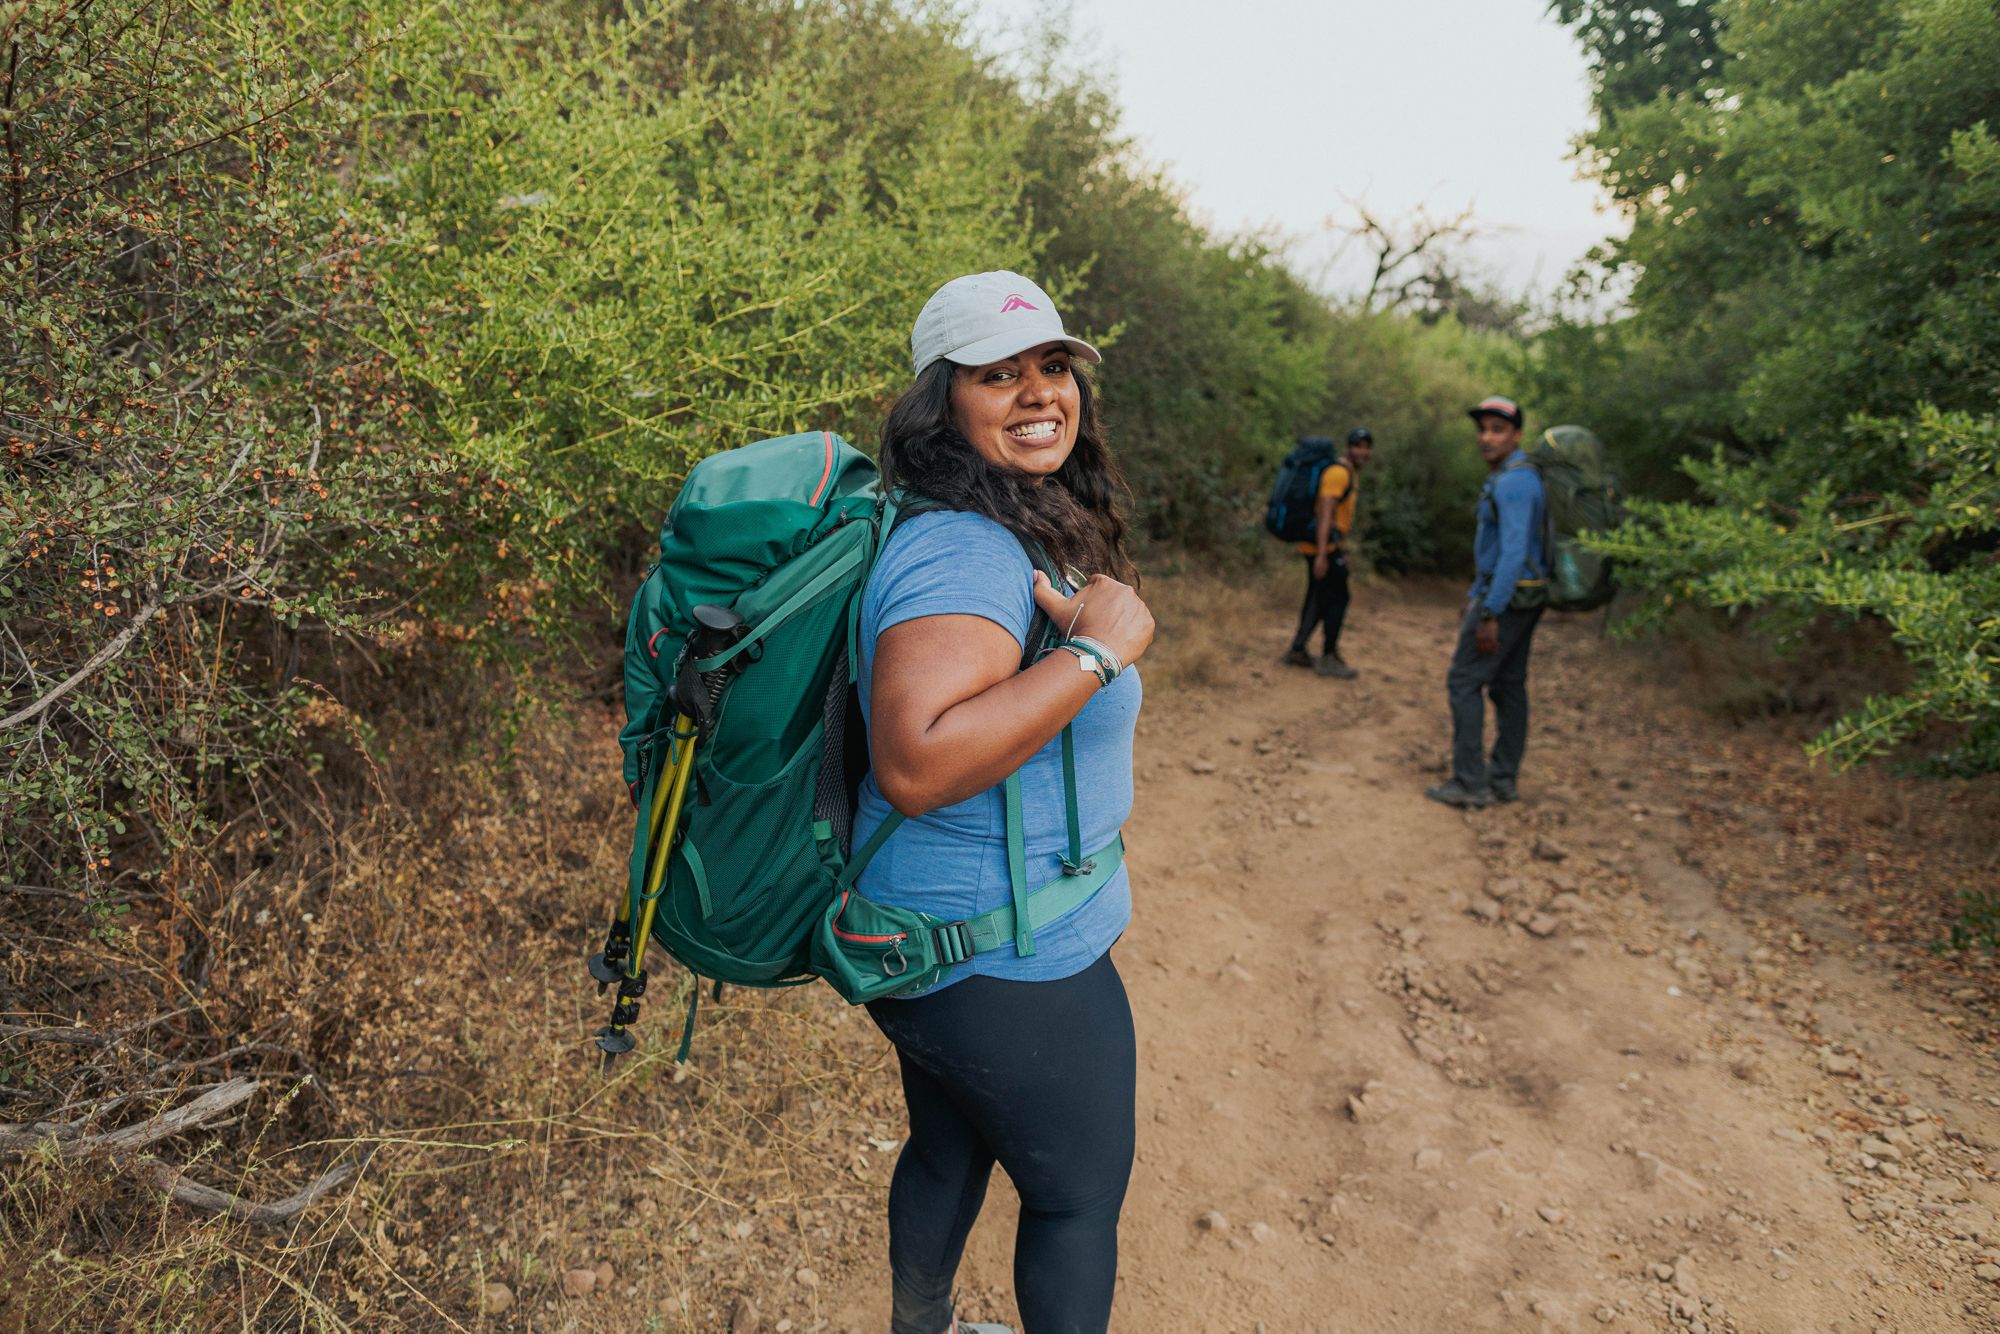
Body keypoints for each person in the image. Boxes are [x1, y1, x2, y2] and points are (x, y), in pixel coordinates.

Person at [854, 270, 1153, 1334]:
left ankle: (917, 1326)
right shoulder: (965, 549)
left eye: (1051, 366)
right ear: (944, 400)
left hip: (933, 938)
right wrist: (1093, 652)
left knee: (948, 1144)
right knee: (1075, 1202)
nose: (1038, 393)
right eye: (997, 374)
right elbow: (917, 760)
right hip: (1001, 954)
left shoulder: (974, 521)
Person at [1426, 395, 1547, 810]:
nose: (1486, 438)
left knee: (1463, 682)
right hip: (1525, 595)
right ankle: (1502, 779)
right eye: (1482, 429)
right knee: (1509, 685)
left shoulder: (1513, 482)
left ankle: (1470, 782)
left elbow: (1512, 552)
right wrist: (1476, 595)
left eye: (1497, 430)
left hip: (1508, 598)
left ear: (1517, 435)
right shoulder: (1521, 476)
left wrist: (1490, 610)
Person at [1282, 427, 1373, 678]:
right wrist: (1323, 555)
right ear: (1348, 447)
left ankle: (1297, 649)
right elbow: (1325, 513)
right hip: (1321, 548)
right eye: (1357, 445)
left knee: (1317, 596)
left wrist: (1338, 549)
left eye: (1366, 446)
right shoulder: (1338, 473)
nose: (1362, 451)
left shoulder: (1348, 473)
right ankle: (1329, 656)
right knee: (1338, 598)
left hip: (1328, 547)